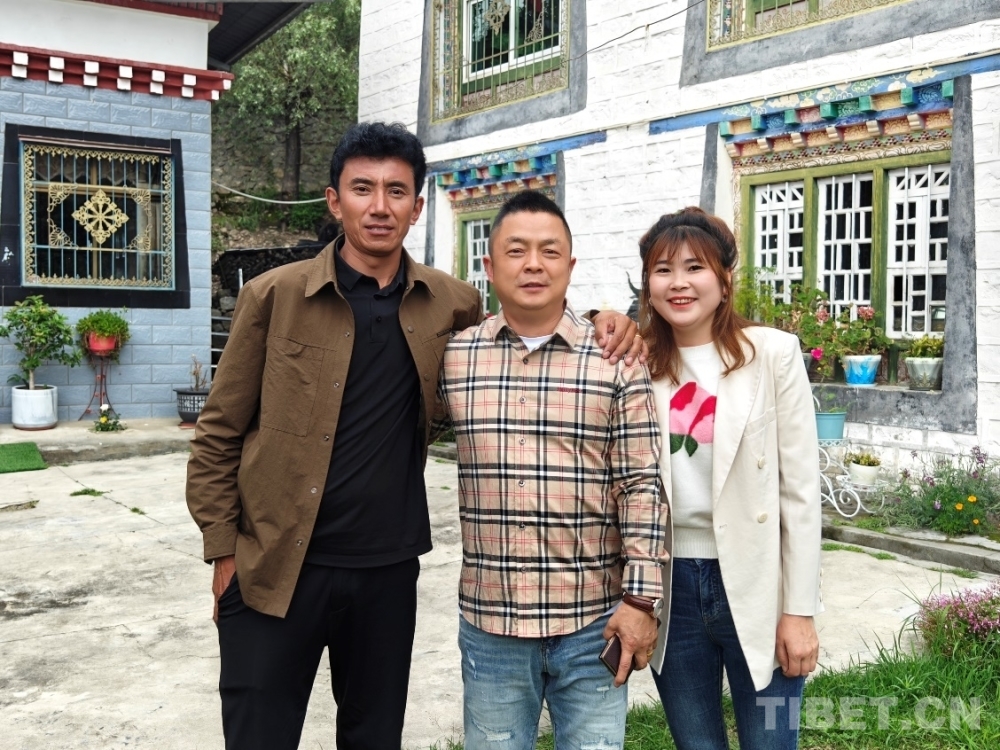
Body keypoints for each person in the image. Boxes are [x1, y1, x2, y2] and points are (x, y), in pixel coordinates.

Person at [186, 122, 645, 750]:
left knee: (374, 737)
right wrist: (223, 552)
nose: (380, 206)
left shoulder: (450, 303)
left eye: (396, 191)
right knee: (258, 737)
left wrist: (601, 319)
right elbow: (218, 433)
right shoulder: (274, 296)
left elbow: (521, 329)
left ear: (417, 206)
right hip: (275, 565)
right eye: (363, 189)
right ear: (334, 200)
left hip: (386, 573)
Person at [435, 190, 669, 750]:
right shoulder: (455, 357)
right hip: (491, 625)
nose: (533, 265)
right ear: (489, 265)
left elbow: (641, 485)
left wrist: (640, 602)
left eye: (549, 251)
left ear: (570, 264)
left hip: (593, 622)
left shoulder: (615, 359)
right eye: (516, 251)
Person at [638, 207, 823, 750]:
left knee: (771, 741)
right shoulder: (637, 362)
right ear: (647, 285)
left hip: (759, 577)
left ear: (723, 281)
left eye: (694, 267)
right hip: (673, 585)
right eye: (663, 270)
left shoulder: (772, 353)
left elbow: (800, 492)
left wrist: (799, 612)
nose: (678, 283)